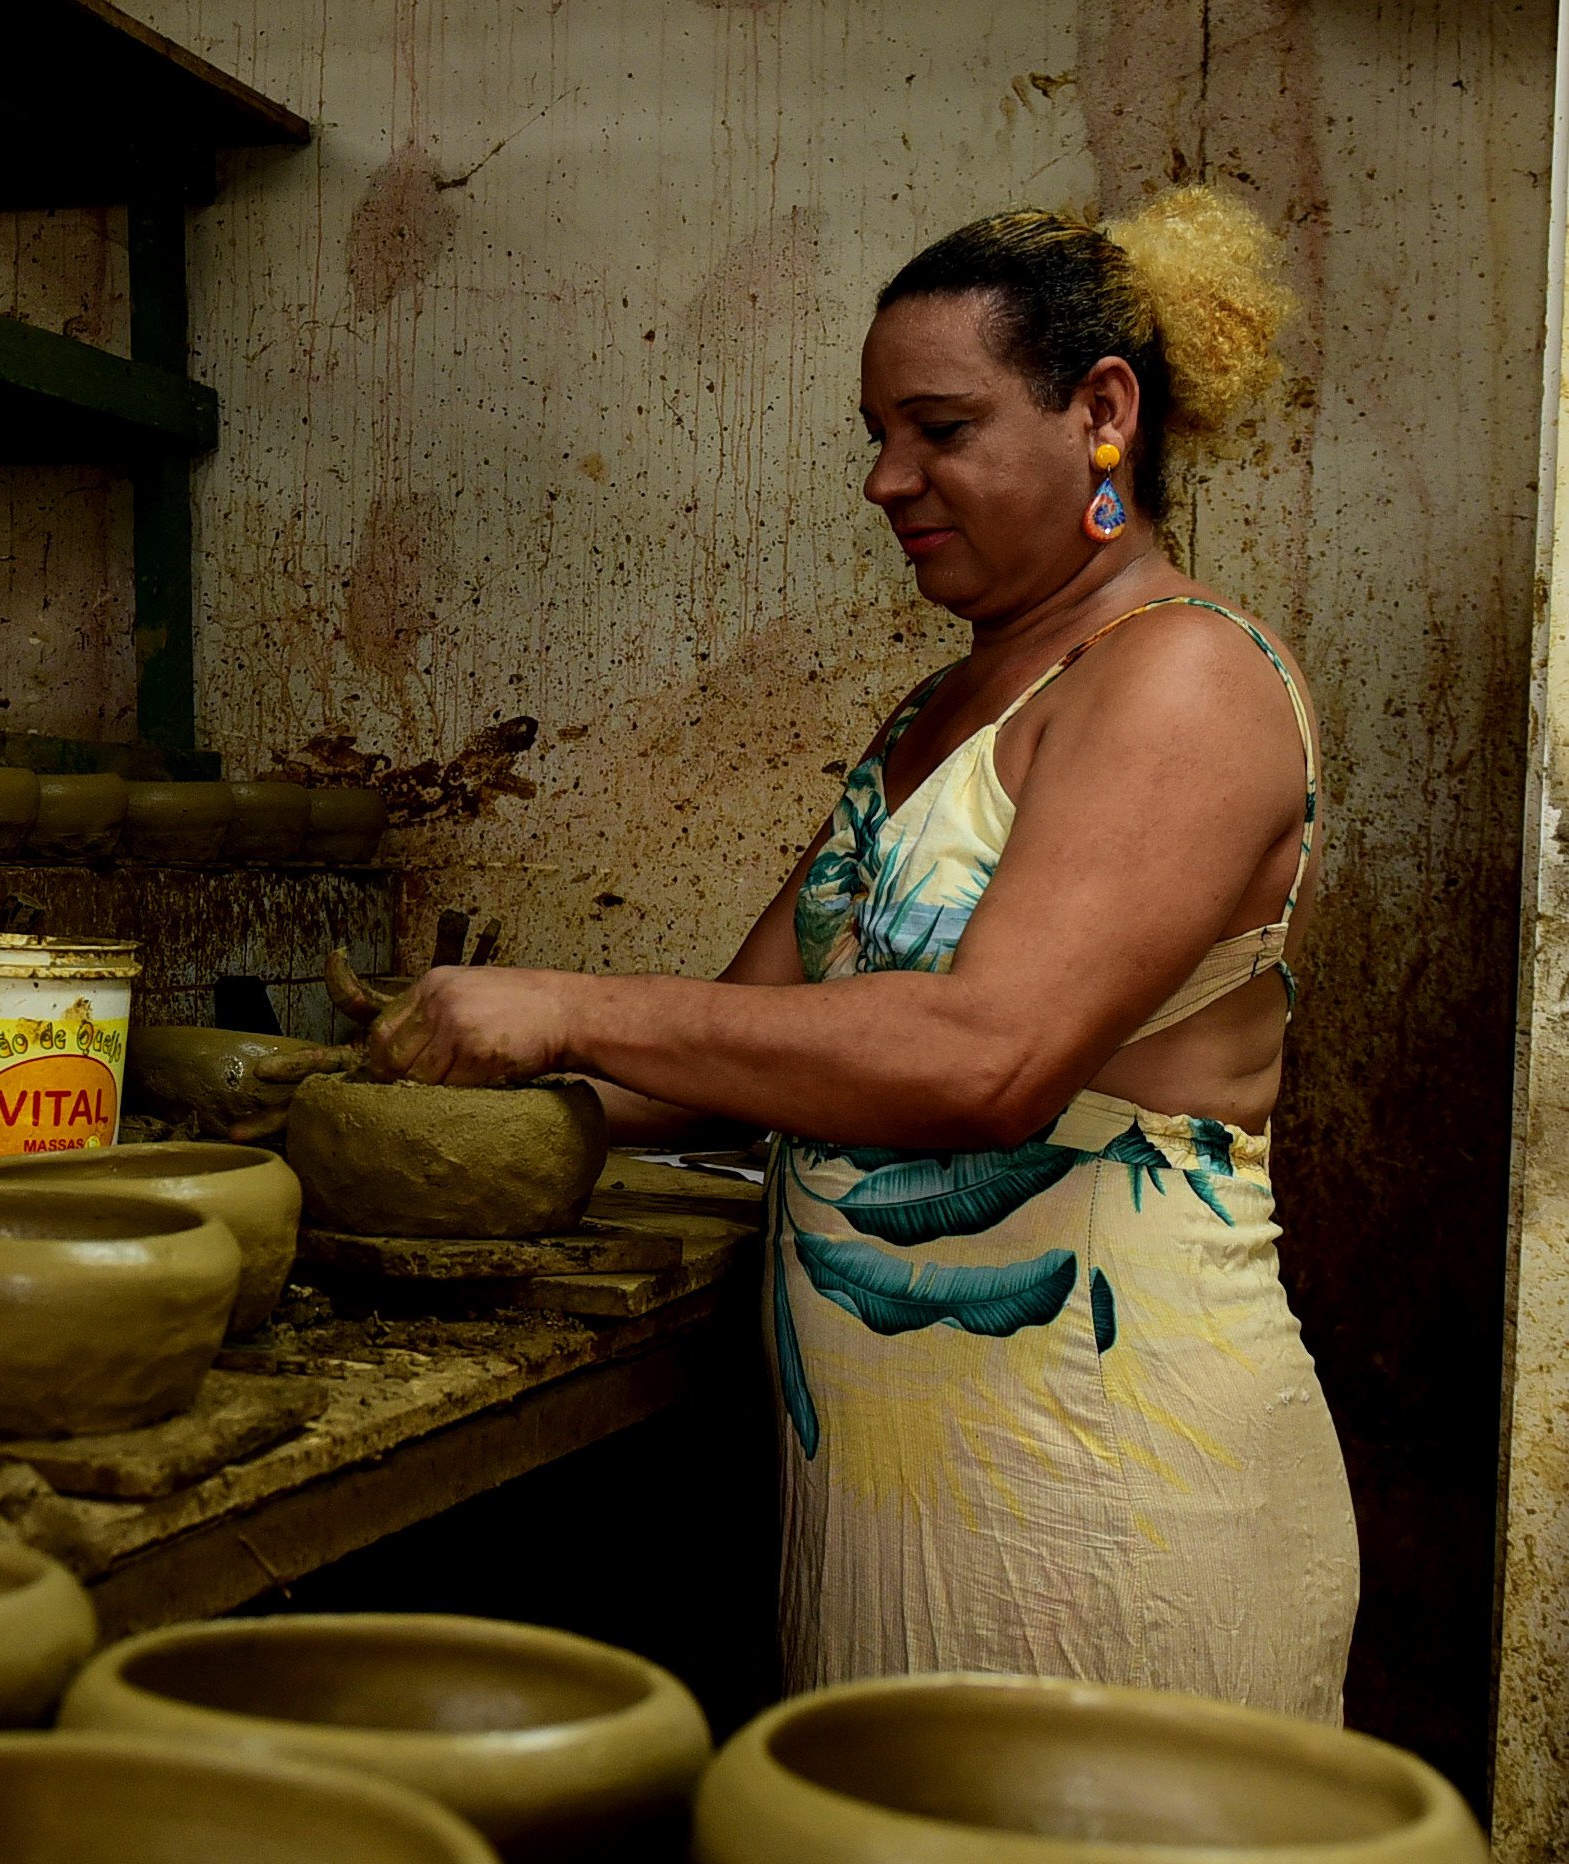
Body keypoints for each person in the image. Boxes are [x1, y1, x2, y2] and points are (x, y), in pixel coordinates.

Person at [337, 186, 1357, 1720]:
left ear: (1102, 413)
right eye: (877, 434)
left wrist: (564, 1006)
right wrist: (397, 1122)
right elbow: (748, 1043)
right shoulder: (932, 715)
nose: (889, 479)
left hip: (1113, 1476)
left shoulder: (1186, 680)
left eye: (938, 428)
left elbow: (986, 1062)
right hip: (895, 1481)